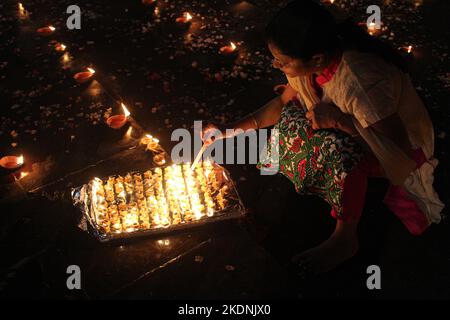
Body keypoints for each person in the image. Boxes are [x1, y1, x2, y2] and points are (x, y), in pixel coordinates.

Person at [201, 0, 444, 274]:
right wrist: (228, 131)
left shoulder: (360, 83)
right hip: (351, 129)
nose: (278, 66)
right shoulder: (312, 67)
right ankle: (315, 182)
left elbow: (396, 152)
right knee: (292, 118)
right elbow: (281, 104)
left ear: (315, 58)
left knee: (334, 147)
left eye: (283, 62)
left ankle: (345, 237)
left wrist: (339, 122)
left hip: (402, 153)